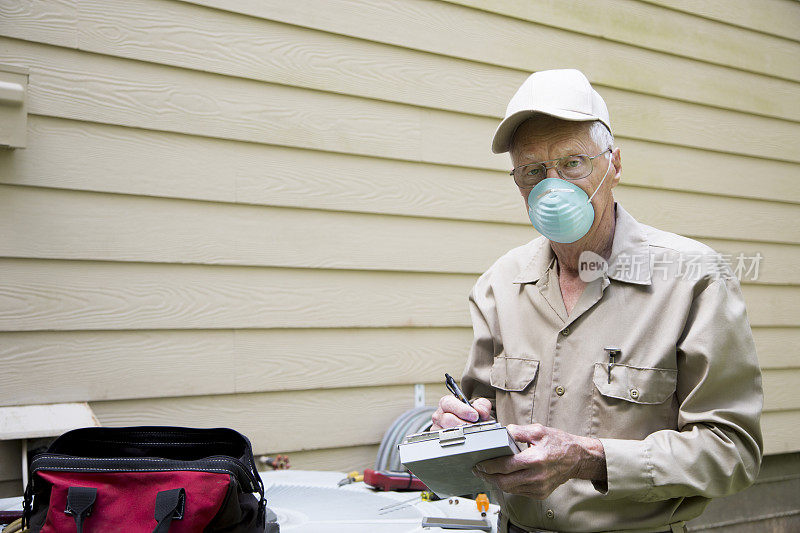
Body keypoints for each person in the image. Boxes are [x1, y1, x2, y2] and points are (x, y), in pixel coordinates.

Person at [431, 69, 763, 533]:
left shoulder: (694, 278)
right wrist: (454, 431)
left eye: (573, 163)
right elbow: (478, 418)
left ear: (615, 165)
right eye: (533, 170)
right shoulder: (499, 284)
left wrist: (589, 458)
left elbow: (733, 454)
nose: (554, 187)